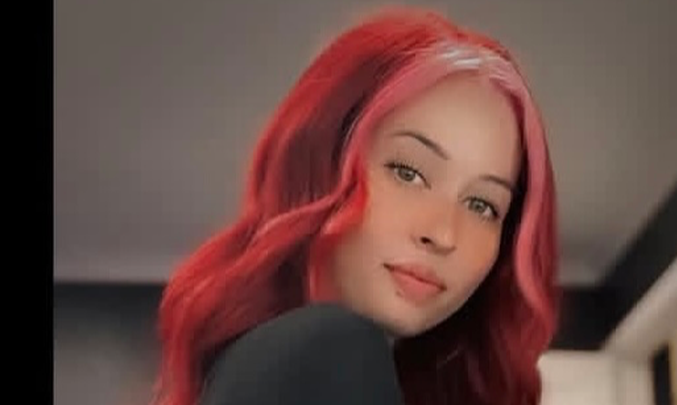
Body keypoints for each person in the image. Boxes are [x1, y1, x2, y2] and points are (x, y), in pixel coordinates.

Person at [152, 5, 560, 405]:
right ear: (321, 162)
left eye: (482, 205)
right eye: (407, 173)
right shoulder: (328, 349)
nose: (443, 233)